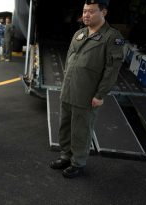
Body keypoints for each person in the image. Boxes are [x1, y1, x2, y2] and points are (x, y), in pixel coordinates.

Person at [49, 0, 124, 178]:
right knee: (65, 126)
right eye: (84, 11)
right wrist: (65, 84)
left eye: (91, 11)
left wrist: (100, 94)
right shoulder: (79, 33)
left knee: (81, 129)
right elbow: (69, 60)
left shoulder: (112, 37)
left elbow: (112, 70)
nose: (86, 15)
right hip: (69, 89)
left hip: (88, 93)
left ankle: (78, 162)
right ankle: (66, 156)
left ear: (103, 12)